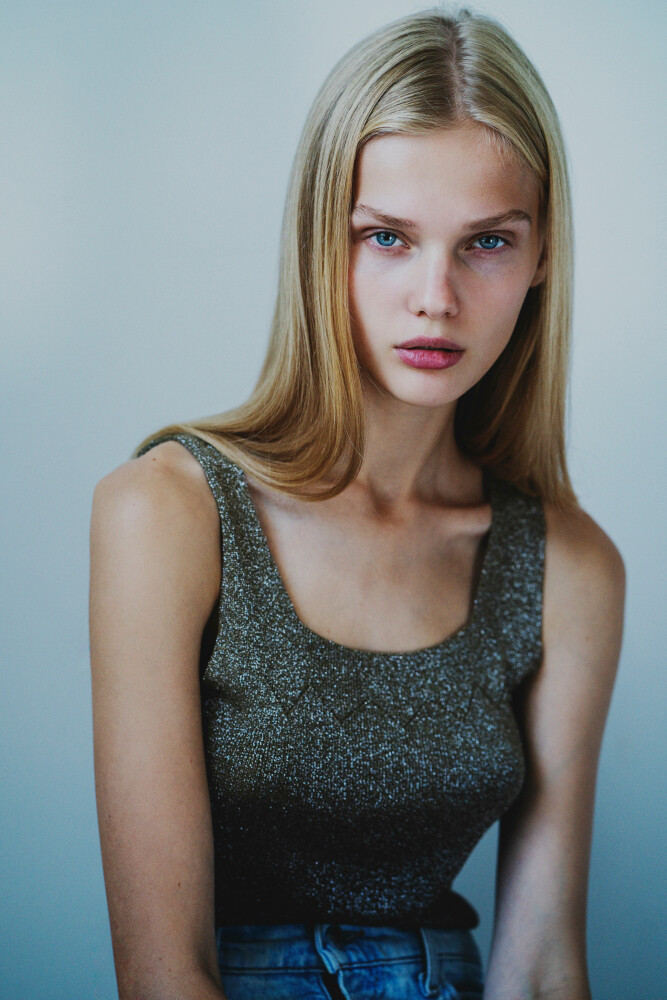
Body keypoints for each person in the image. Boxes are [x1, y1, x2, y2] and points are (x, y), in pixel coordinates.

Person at [89, 7, 625, 999]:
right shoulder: (167, 512)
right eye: (386, 237)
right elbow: (162, 972)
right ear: (318, 242)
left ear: (542, 253)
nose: (435, 296)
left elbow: (544, 966)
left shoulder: (568, 565)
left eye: (486, 242)